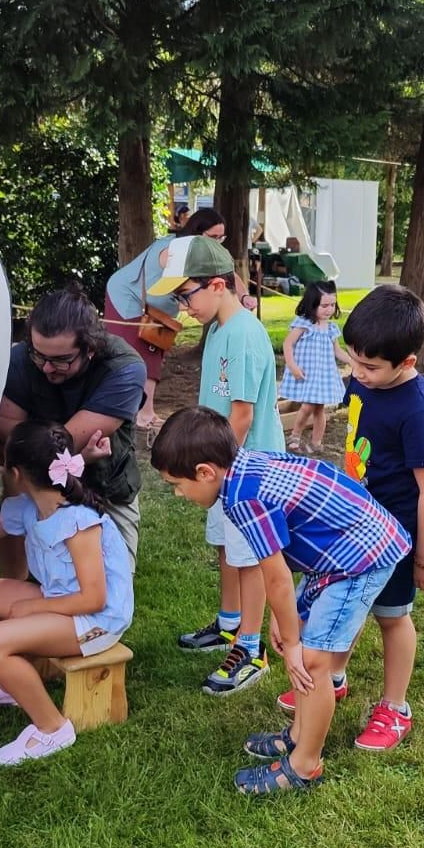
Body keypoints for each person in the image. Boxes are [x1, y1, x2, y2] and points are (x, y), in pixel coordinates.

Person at [152, 407, 410, 794]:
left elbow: (276, 576)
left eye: (177, 484)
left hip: (359, 558)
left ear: (206, 472)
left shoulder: (243, 498)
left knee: (311, 661)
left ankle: (305, 765)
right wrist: (285, 621)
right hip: (336, 553)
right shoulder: (244, 465)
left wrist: (291, 644)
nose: (178, 493)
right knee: (304, 648)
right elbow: (280, 570)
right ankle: (300, 733)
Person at [289, 284, 424, 751]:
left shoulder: (416, 410)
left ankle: (395, 708)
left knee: (391, 616)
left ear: (407, 362)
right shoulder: (363, 379)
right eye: (352, 361)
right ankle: (333, 676)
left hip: (394, 537)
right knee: (346, 606)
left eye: (369, 367)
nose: (356, 373)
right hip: (353, 525)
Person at [0, 421, 134, 765]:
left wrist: (33, 607)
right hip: (60, 601)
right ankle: (13, 686)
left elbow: (94, 599)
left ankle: (52, 728)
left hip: (97, 620)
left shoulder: (78, 521)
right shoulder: (29, 508)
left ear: (15, 473)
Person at [158, 235, 286, 696]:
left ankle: (251, 647)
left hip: (243, 470)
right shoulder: (216, 329)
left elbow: (243, 414)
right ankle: (231, 624)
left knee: (249, 557)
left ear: (216, 285)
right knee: (226, 547)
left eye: (185, 295)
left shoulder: (244, 333)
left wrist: (213, 473)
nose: (183, 306)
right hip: (220, 467)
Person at [0, 287, 146, 572]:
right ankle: (17, 575)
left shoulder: (123, 368)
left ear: (90, 349)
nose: (46, 368)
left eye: (61, 360)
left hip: (105, 490)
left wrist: (43, 448)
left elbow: (46, 449)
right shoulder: (19, 360)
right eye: (38, 355)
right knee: (14, 487)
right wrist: (68, 455)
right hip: (36, 486)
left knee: (112, 594)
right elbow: (11, 440)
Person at [104, 206, 226, 435]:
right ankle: (137, 412)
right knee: (135, 354)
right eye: (213, 237)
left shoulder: (197, 251)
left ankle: (144, 411)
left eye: (222, 237)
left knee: (154, 353)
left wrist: (244, 295)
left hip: (157, 308)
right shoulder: (176, 249)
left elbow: (225, 274)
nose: (218, 242)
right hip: (128, 298)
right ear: (198, 233)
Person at [281, 281, 350, 455]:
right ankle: (295, 435)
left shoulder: (331, 328)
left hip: (323, 375)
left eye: (332, 305)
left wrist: (353, 361)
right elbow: (288, 343)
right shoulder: (304, 324)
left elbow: (337, 350)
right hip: (308, 374)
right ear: (312, 305)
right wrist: (292, 366)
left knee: (320, 409)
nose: (329, 309)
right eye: (324, 305)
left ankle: (317, 442)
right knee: (307, 407)